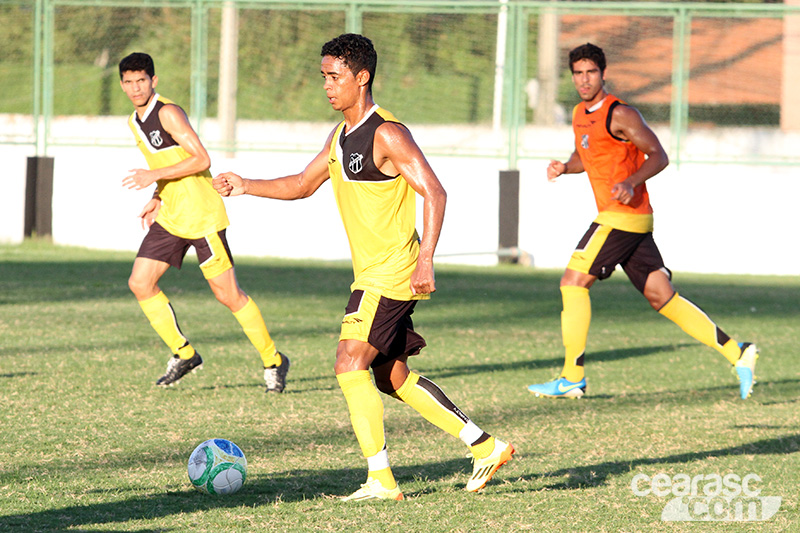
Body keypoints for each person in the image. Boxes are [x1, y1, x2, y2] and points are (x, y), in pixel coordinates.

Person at [213, 34, 514, 501]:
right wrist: (244, 183)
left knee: (348, 361)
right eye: (324, 77)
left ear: (362, 77)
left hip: (391, 271)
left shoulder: (387, 133)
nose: (328, 86)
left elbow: (435, 191)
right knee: (390, 376)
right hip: (373, 272)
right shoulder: (339, 137)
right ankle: (485, 445)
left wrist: (427, 260)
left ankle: (381, 478)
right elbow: (300, 184)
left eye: (335, 77)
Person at [526, 43, 759, 400]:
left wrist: (631, 182)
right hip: (630, 222)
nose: (585, 79)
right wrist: (565, 166)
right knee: (660, 295)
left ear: (603, 74)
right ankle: (737, 352)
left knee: (572, 282)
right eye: (578, 73)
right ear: (572, 76)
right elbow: (586, 154)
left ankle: (572, 377)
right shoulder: (578, 114)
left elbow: (659, 155)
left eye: (591, 72)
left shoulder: (621, 114)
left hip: (622, 216)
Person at [118, 52, 289, 392]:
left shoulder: (167, 112)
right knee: (140, 282)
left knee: (228, 295)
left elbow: (201, 158)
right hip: (171, 215)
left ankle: (274, 360)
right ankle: (184, 354)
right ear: (122, 85)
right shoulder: (133, 122)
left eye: (142, 80)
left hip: (203, 217)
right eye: (128, 82)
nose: (136, 88)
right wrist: (156, 193)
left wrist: (153, 175)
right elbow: (169, 161)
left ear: (154, 81)